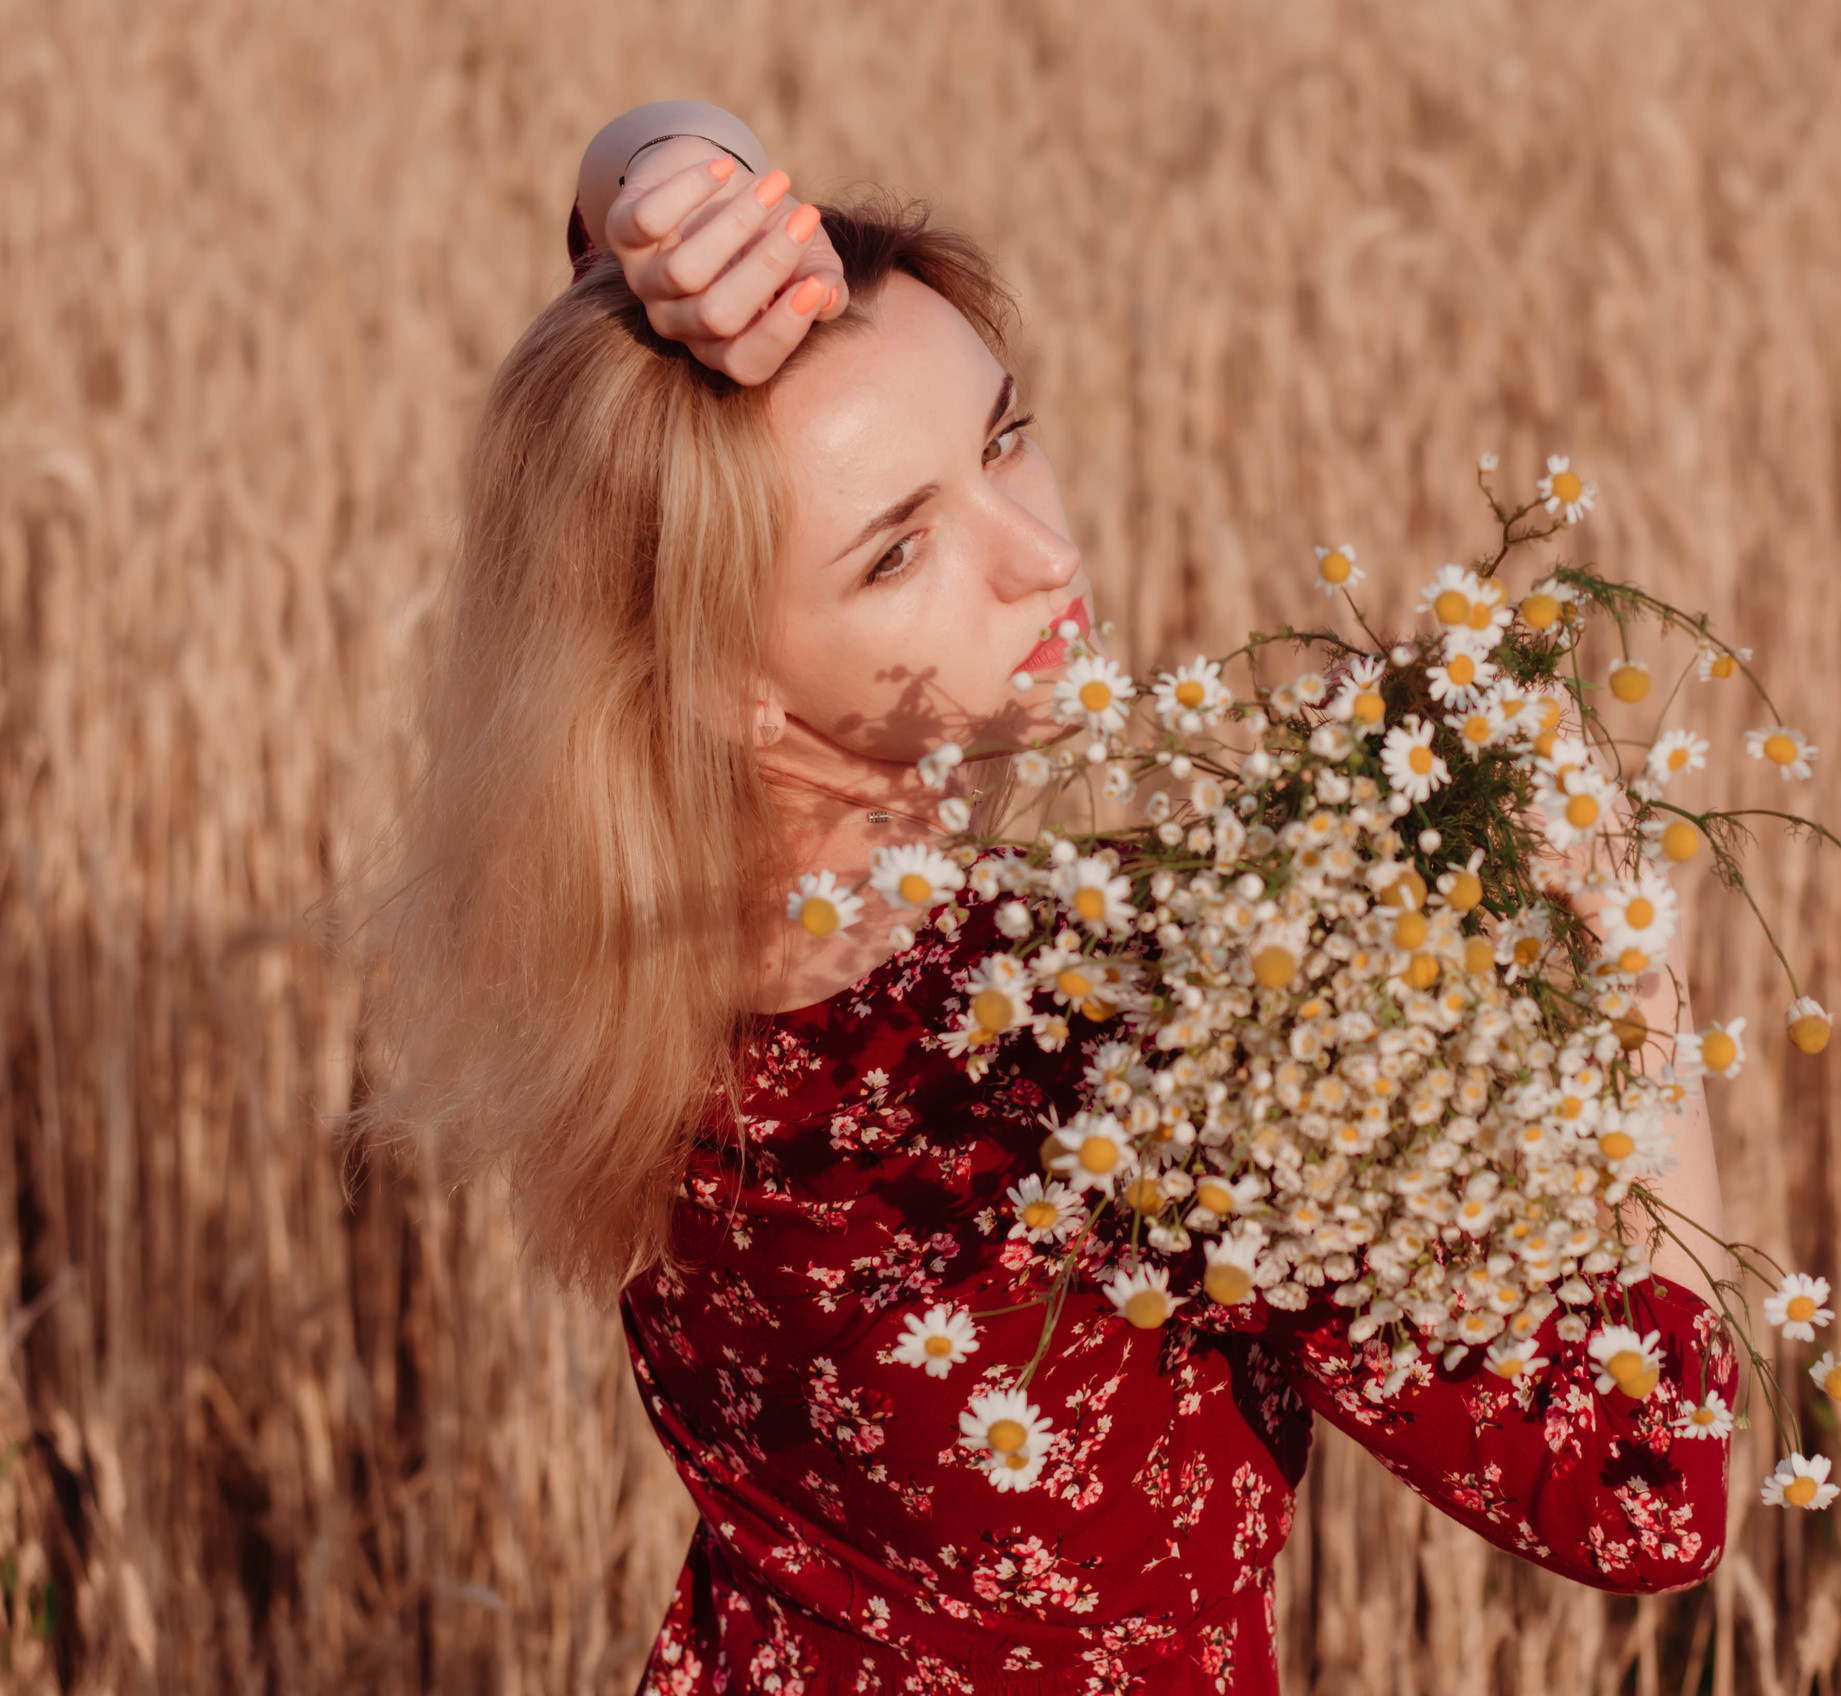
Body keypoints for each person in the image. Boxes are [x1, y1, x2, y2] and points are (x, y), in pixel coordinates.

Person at [365, 102, 1740, 1695]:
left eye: (1004, 437)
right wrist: (1630, 964)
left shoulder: (633, 955)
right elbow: (1648, 1497)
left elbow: (618, 400)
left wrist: (654, 165)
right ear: (723, 681)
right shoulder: (1140, 1045)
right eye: (899, 554)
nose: (1037, 558)